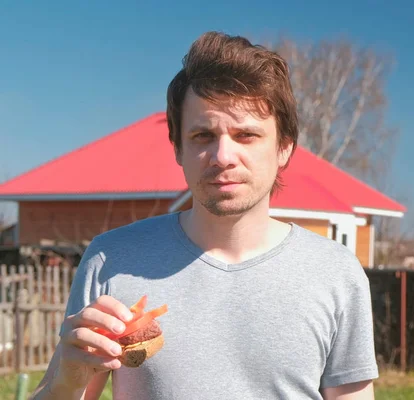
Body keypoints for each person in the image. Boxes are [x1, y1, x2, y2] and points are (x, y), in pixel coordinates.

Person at [32, 31, 379, 400]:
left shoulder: (335, 272)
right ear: (178, 148)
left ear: (284, 149)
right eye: (202, 135)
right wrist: (67, 382)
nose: (223, 155)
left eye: (246, 135)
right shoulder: (112, 261)